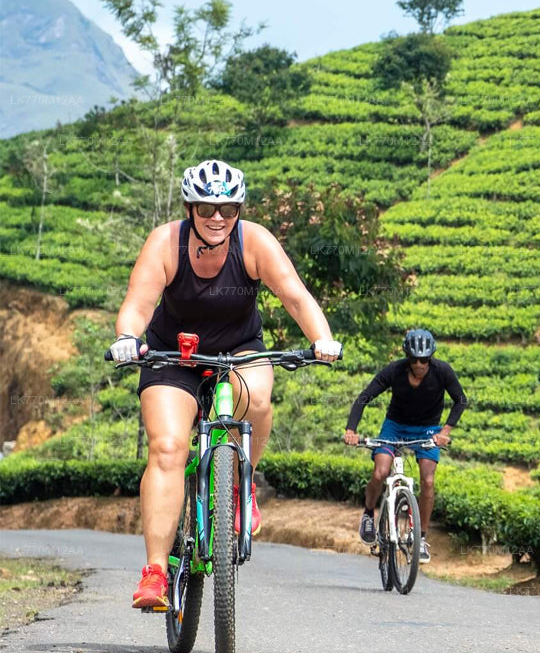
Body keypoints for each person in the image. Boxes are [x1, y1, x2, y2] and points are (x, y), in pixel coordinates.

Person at [110, 160, 342, 609]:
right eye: (207, 208)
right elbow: (138, 303)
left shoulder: (253, 241)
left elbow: (294, 294)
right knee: (167, 447)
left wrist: (322, 339)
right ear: (190, 207)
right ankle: (155, 572)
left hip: (238, 349)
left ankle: (240, 486)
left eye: (229, 208)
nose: (218, 217)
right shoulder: (165, 242)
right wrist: (126, 338)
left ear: (238, 210)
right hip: (171, 354)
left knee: (256, 398)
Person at [344, 328, 466, 562]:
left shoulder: (442, 371)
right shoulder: (394, 370)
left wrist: (445, 431)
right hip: (395, 426)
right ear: (408, 359)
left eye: (424, 360)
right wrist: (351, 430)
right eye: (414, 360)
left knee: (428, 480)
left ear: (431, 358)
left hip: (428, 429)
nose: (420, 364)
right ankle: (369, 514)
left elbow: (460, 400)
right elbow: (364, 397)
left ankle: (420, 538)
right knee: (380, 473)